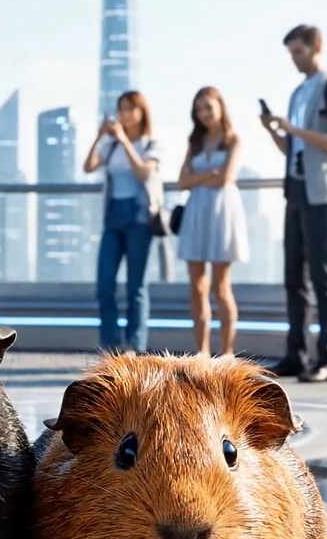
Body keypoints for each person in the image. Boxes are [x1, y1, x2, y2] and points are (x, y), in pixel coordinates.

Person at [260, 24, 327, 382]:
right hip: (294, 189)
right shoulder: (296, 94)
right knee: (293, 275)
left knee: (322, 275)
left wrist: (293, 130)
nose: (294, 59)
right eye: (291, 53)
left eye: (298, 52)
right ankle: (295, 354)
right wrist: (273, 131)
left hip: (322, 192)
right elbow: (292, 149)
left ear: (316, 46)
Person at [84, 90, 162, 353]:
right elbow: (88, 166)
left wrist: (125, 142)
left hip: (139, 218)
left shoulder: (150, 144)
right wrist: (100, 136)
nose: (124, 114)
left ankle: (136, 347)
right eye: (121, 109)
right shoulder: (111, 146)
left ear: (141, 112)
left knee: (136, 287)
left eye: (130, 108)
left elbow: (142, 173)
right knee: (105, 284)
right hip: (113, 218)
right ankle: (111, 345)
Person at [176, 86, 249, 357]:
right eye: (199, 109)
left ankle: (227, 352)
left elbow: (225, 177)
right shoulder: (194, 141)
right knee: (196, 285)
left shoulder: (233, 139)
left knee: (220, 285)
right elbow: (182, 180)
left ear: (220, 106)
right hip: (197, 211)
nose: (204, 113)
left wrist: (201, 177)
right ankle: (202, 350)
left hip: (222, 211)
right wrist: (209, 175)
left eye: (208, 106)